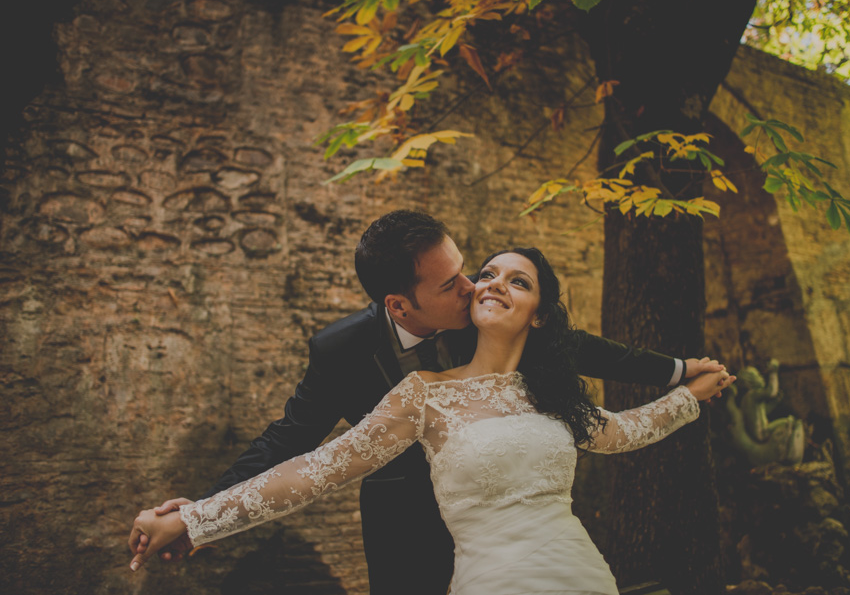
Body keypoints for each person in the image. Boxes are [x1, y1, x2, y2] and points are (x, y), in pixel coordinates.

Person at [137, 210, 723, 594]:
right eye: (463, 282)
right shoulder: (380, 372)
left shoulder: (540, 380)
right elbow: (301, 455)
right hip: (412, 524)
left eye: (503, 279)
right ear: (400, 304)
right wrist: (199, 517)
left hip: (571, 566)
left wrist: (683, 380)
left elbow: (613, 412)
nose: (478, 287)